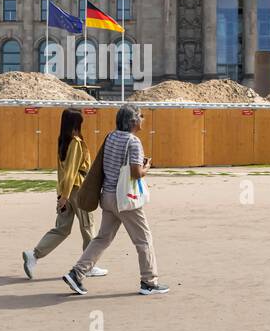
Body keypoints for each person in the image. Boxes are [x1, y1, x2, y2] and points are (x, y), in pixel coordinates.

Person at [62, 104, 166, 296]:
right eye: (141, 116)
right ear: (133, 121)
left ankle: (77, 273)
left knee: (102, 238)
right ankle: (149, 281)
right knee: (143, 240)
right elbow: (135, 173)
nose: (143, 119)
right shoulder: (134, 142)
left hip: (107, 196)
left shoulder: (110, 136)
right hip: (125, 198)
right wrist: (147, 167)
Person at [22, 108, 107, 280]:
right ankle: (88, 266)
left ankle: (34, 255)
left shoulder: (63, 141)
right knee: (88, 228)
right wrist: (65, 196)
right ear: (76, 124)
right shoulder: (76, 142)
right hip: (78, 190)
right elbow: (71, 172)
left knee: (62, 229)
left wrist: (61, 195)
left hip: (66, 191)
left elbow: (63, 173)